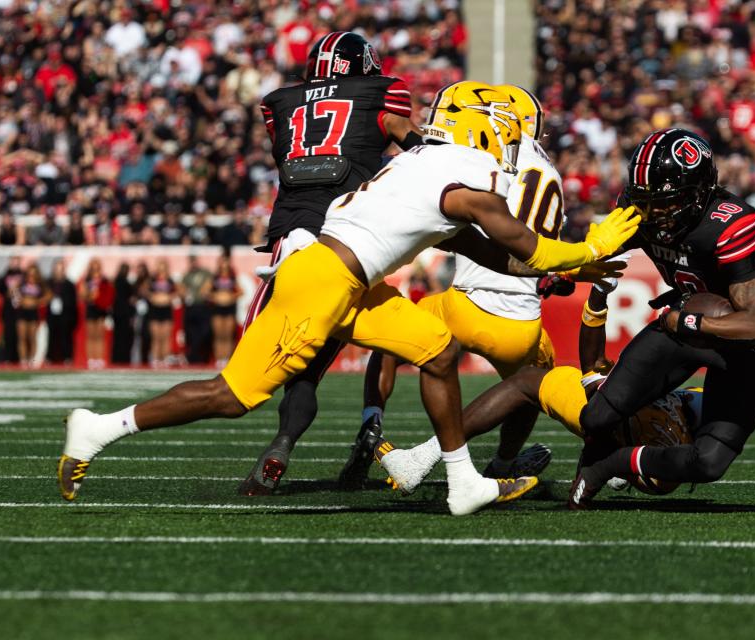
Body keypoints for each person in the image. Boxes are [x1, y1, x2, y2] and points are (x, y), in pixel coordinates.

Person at [58, 80, 638, 516]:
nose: (512, 146)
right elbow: (529, 250)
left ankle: (463, 482)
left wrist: (583, 257)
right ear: (485, 132)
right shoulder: (464, 174)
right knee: (233, 395)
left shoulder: (428, 164)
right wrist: (590, 246)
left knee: (436, 349)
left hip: (349, 278)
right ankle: (102, 427)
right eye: (507, 134)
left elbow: (493, 254)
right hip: (324, 282)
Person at [237, 31, 427, 495]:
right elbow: (414, 146)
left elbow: (297, 146)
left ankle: (282, 439)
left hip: (294, 235)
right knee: (384, 341)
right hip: (350, 238)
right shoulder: (381, 93)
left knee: (280, 367)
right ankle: (368, 423)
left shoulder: (278, 102)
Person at [346, 85, 565, 488]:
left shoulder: (482, 157)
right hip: (520, 325)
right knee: (532, 383)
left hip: (465, 305)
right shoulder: (551, 173)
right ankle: (503, 461)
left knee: (390, 329)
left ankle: (372, 421)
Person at [564, 128, 755, 509]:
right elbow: (596, 252)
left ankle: (614, 463)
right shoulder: (643, 209)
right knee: (596, 419)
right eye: (647, 201)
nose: (655, 213)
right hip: (683, 325)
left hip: (733, 339)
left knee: (708, 462)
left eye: (667, 202)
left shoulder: (730, 223)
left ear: (699, 192)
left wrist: (684, 322)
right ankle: (664, 407)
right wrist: (562, 270)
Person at [388, 282, 699, 496]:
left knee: (528, 380)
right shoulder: (697, 367)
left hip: (643, 432)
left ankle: (423, 457)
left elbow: (593, 368)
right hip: (662, 457)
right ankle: (609, 463)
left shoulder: (669, 350)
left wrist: (597, 297)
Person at [207, 254, 242, 367]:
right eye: (222, 261)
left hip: (229, 308)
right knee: (218, 335)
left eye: (226, 261)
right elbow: (205, 292)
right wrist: (215, 296)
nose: (224, 264)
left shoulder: (232, 277)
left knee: (227, 335)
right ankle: (219, 358)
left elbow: (241, 291)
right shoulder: (214, 278)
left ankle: (226, 358)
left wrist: (231, 297)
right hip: (217, 309)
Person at [79, 259, 113, 370]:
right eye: (93, 266)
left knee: (100, 335)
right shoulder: (86, 280)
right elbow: (82, 295)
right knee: (90, 335)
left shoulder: (104, 280)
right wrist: (89, 295)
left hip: (101, 309)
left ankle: (99, 359)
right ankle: (91, 359)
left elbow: (109, 293)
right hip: (91, 308)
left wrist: (101, 297)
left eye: (97, 266)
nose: (95, 268)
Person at [146, 259, 181, 368]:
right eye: (159, 267)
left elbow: (179, 291)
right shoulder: (152, 280)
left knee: (165, 336)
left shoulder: (170, 281)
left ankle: (165, 358)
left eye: (163, 267)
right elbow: (144, 291)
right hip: (154, 311)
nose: (161, 269)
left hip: (166, 311)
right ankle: (156, 358)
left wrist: (170, 297)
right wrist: (151, 296)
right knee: (156, 336)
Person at [16, 262, 50, 367]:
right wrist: (21, 301)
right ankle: (23, 360)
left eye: (34, 273)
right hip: (22, 312)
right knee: (22, 337)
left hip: (33, 313)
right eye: (30, 273)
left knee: (32, 337)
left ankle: (32, 360)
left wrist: (37, 302)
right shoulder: (21, 284)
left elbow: (48, 295)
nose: (31, 275)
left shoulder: (40, 284)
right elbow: (14, 295)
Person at [181, 255, 213, 364]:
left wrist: (205, 291)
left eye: (194, 261)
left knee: (204, 332)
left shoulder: (205, 273)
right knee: (191, 333)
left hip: (203, 306)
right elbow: (182, 288)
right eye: (191, 262)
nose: (193, 264)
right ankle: (194, 357)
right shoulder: (187, 275)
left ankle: (197, 355)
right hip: (191, 307)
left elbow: (209, 284)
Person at [46, 260, 78, 365]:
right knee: (51, 336)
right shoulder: (49, 283)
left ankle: (67, 357)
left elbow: (73, 301)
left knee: (66, 337)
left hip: (65, 315)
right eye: (57, 269)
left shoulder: (69, 284)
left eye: (61, 269)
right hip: (52, 314)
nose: (59, 272)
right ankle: (50, 358)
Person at [0, 256, 23, 363]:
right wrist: (9, 292)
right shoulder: (4, 276)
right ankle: (7, 357)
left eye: (17, 261)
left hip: (21, 310)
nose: (15, 264)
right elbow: (0, 292)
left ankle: (19, 358)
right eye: (13, 261)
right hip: (8, 310)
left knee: (20, 335)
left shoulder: (24, 276)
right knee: (8, 333)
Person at [111, 263, 135, 365]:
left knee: (118, 338)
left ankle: (116, 358)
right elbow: (131, 300)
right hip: (124, 314)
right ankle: (124, 359)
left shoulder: (115, 282)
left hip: (117, 313)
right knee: (124, 338)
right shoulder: (126, 284)